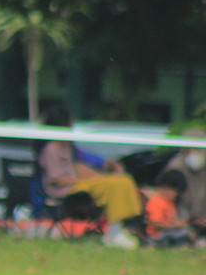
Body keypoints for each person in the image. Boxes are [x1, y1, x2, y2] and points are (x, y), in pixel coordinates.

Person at [35, 105, 143, 249]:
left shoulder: (68, 146)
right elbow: (57, 180)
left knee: (123, 180)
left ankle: (122, 226)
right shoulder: (51, 149)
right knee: (111, 185)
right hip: (66, 189)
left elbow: (78, 166)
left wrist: (102, 174)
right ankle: (114, 233)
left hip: (78, 183)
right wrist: (88, 180)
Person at [160, 127, 206, 244]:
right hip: (181, 222)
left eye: (197, 148)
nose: (193, 152)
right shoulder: (175, 167)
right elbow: (167, 200)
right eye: (190, 149)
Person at [144, 169, 194, 248]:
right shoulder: (156, 202)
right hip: (156, 236)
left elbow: (173, 220)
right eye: (176, 192)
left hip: (168, 233)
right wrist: (176, 226)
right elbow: (156, 225)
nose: (177, 196)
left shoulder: (169, 204)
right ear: (167, 188)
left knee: (188, 232)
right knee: (183, 234)